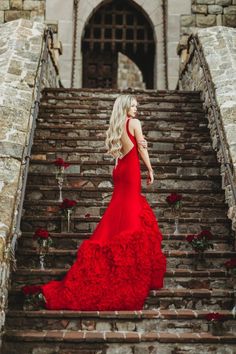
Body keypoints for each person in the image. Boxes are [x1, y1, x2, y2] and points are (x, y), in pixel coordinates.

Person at [24, 94, 167, 311]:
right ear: (126, 107)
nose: (137, 110)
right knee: (130, 213)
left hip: (119, 170)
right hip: (130, 171)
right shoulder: (134, 123)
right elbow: (141, 148)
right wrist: (150, 168)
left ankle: (112, 239)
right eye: (134, 106)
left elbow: (120, 153)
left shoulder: (118, 125)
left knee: (120, 210)